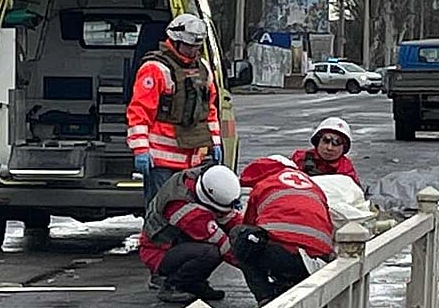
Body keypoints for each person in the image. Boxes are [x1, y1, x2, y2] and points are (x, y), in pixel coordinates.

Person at [127, 13, 222, 207]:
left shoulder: (203, 68)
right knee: (161, 213)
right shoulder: (155, 69)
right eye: (189, 46)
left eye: (197, 46)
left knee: (192, 214)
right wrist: (141, 150)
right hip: (161, 161)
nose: (193, 51)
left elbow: (208, 109)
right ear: (175, 41)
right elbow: (139, 112)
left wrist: (216, 141)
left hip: (194, 159)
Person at [233, 155, 335, 307]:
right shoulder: (313, 185)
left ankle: (266, 297)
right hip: (322, 256)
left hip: (285, 256)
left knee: (241, 238)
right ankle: (288, 284)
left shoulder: (265, 184)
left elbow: (249, 227)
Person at [139, 165, 243, 303]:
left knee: (210, 250)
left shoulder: (200, 181)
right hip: (158, 251)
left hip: (177, 243)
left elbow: (230, 219)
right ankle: (173, 286)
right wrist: (255, 267)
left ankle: (193, 284)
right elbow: (224, 245)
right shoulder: (184, 208)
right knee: (210, 252)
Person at [290, 117, 360, 187]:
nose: (329, 148)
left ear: (344, 147)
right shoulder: (299, 158)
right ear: (317, 141)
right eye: (326, 141)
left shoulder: (346, 171)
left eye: (337, 143)